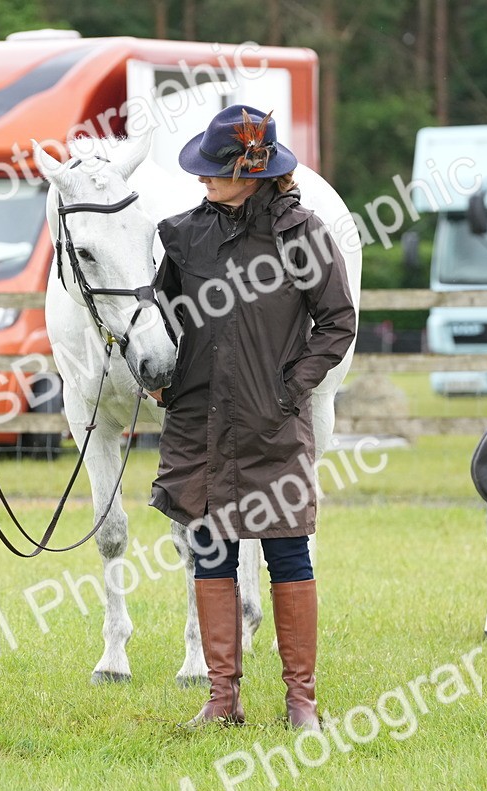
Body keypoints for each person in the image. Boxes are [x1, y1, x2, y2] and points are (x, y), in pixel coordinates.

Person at [149, 105, 357, 731]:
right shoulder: (184, 235)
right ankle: (222, 699)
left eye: (216, 171)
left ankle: (302, 703)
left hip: (272, 421)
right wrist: (162, 377)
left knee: (289, 553)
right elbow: (162, 314)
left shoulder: (304, 235)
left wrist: (290, 389)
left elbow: (337, 322)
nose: (203, 180)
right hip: (199, 423)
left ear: (254, 172)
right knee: (210, 551)